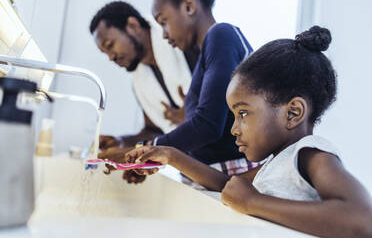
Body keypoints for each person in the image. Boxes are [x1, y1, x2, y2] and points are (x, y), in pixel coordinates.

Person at [126, 26, 372, 237]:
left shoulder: (311, 155)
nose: (233, 129)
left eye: (242, 113)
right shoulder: (276, 163)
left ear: (293, 112)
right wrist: (171, 156)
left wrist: (253, 202)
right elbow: (229, 186)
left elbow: (361, 219)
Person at [99, 0, 257, 183]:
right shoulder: (207, 55)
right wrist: (146, 155)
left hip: (233, 171)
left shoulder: (221, 35)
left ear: (189, 7)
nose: (164, 35)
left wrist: (147, 149)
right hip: (206, 174)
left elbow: (207, 125)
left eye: (164, 21)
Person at [90, 1, 198, 183]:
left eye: (110, 44)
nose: (110, 57)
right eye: (105, 52)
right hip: (192, 172)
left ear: (132, 25)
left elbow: (211, 112)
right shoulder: (139, 81)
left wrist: (194, 114)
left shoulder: (185, 47)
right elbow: (154, 131)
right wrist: (122, 142)